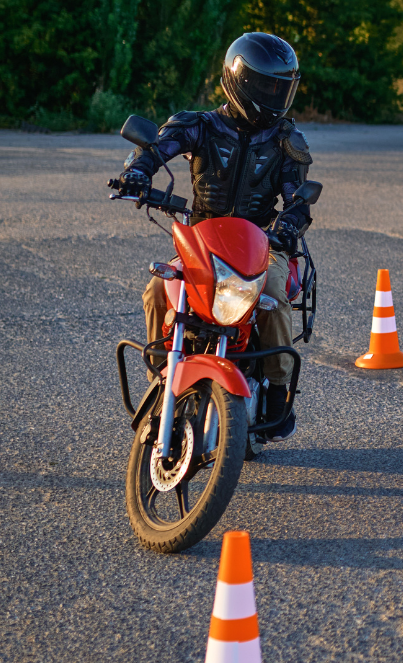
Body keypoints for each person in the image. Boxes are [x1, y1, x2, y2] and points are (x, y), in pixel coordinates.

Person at [114, 31, 314, 441]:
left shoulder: (285, 141)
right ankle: (161, 370)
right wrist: (138, 171)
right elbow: (157, 148)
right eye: (266, 85)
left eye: (282, 87)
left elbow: (297, 199)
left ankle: (277, 390)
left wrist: (290, 223)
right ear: (240, 80)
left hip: (261, 242)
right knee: (156, 289)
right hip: (202, 239)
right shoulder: (200, 126)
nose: (274, 95)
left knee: (274, 298)